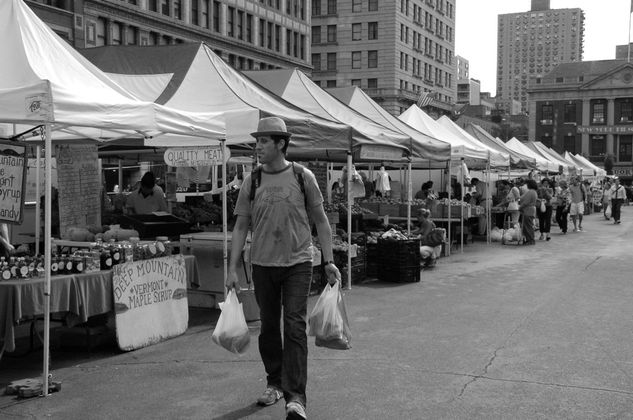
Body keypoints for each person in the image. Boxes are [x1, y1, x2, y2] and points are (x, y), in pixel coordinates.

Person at [227, 116, 340, 420]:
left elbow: (321, 222)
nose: (258, 147)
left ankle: (296, 397)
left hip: (298, 263)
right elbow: (240, 227)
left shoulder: (304, 177)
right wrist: (232, 269)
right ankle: (274, 382)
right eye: (257, 141)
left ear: (281, 144)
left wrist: (329, 261)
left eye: (263, 141)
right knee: (268, 327)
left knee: (294, 325)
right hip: (262, 264)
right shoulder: (253, 182)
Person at [519, 179, 538, 245]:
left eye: (526, 184)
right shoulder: (533, 192)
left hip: (528, 210)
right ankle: (529, 239)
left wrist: (520, 207)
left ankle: (531, 240)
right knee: (528, 225)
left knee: (528, 226)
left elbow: (526, 202)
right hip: (530, 210)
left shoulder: (531, 192)